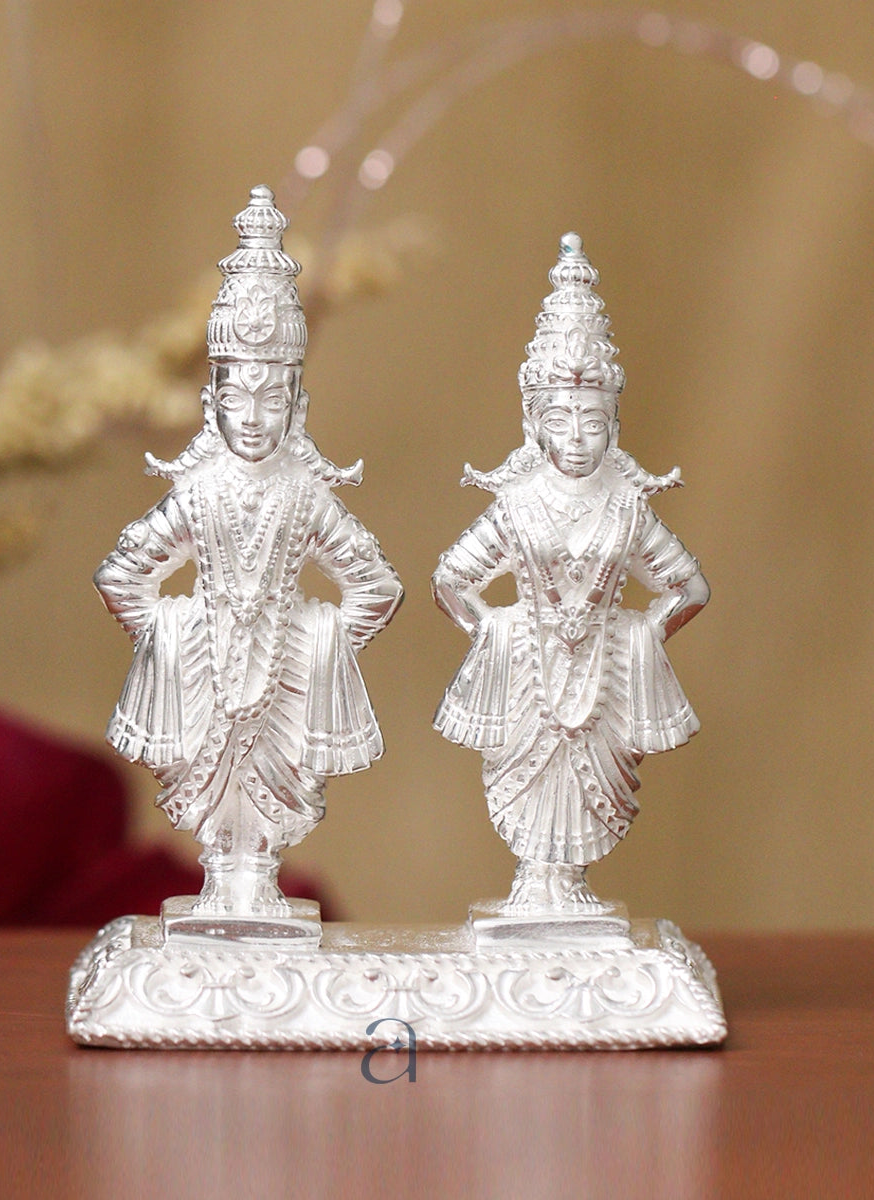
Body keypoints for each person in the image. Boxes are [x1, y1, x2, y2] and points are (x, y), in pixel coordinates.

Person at [95, 187, 402, 917]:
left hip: (284, 681)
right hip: (201, 671)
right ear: (211, 404)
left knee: (272, 797)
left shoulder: (306, 496)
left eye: (273, 400)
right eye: (237, 398)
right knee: (213, 798)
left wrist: (318, 644)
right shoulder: (197, 493)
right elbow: (123, 575)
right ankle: (226, 886)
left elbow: (376, 585)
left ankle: (256, 881)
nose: (255, 417)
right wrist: (171, 639)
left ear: (298, 406)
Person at [432, 233, 708, 912]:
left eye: (593, 420)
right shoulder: (516, 505)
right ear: (534, 424)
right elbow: (451, 580)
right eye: (561, 419)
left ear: (614, 424)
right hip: (527, 674)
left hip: (606, 677)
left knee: (595, 791)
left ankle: (570, 884)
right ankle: (536, 880)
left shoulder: (628, 508)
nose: (578, 437)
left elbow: (689, 587)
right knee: (523, 781)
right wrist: (496, 634)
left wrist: (639, 636)